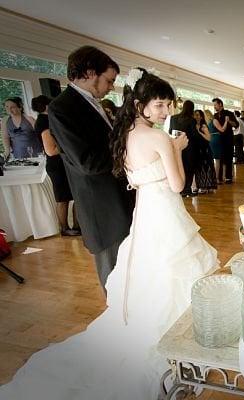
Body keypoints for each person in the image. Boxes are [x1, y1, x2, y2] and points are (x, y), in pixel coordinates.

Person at [0, 68, 219, 400]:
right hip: (164, 212)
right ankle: (179, 342)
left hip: (145, 212)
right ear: (141, 104)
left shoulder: (126, 134)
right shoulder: (159, 137)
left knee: (153, 271)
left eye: (168, 105)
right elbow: (176, 185)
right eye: (160, 105)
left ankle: (165, 333)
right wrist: (176, 149)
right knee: (174, 269)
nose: (166, 112)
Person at [48, 45, 132, 291]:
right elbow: (88, 162)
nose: (111, 87)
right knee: (113, 275)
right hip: (102, 208)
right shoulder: (62, 108)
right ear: (89, 72)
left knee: (127, 271)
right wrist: (125, 148)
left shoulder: (95, 103)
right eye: (109, 80)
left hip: (119, 199)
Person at [30, 95, 81, 236]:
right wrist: (70, 146)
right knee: (63, 199)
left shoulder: (48, 120)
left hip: (63, 164)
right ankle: (64, 228)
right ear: (47, 106)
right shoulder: (43, 122)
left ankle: (77, 225)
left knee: (74, 196)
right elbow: (51, 150)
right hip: (57, 165)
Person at [169, 100, 197, 196]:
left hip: (176, 145)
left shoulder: (173, 118)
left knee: (180, 167)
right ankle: (187, 189)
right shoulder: (191, 120)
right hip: (189, 147)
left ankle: (180, 190)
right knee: (189, 168)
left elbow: (170, 131)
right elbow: (194, 135)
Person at [212, 98, 238, 183]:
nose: (214, 106)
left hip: (229, 138)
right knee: (220, 158)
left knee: (229, 158)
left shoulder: (229, 113)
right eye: (214, 105)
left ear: (220, 104)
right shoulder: (215, 115)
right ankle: (219, 178)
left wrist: (228, 121)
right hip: (219, 140)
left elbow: (236, 125)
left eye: (215, 104)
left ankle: (228, 178)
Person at [193, 109, 217, 193]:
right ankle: (200, 185)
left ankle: (207, 186)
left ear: (201, 116)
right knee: (199, 168)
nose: (196, 116)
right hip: (197, 150)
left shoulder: (203, 126)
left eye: (198, 115)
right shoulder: (193, 125)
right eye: (195, 115)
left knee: (207, 167)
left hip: (205, 150)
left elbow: (209, 138)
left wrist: (199, 132)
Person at [206, 109, 223, 183]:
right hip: (216, 139)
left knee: (212, 159)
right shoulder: (214, 121)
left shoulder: (207, 123)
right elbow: (222, 129)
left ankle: (212, 177)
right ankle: (216, 178)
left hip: (210, 139)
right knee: (217, 160)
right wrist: (226, 122)